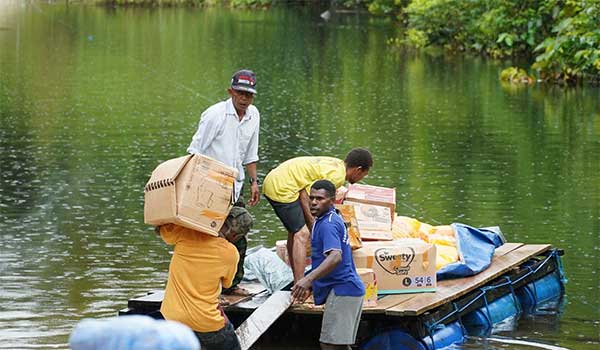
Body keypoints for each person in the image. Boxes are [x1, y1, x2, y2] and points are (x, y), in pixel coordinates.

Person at [187, 69, 260, 295]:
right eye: (240, 93)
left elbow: (250, 153)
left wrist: (254, 182)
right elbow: (195, 152)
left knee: (240, 231)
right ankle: (206, 282)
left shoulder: (253, 115)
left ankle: (231, 284)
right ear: (231, 92)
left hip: (234, 185)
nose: (244, 99)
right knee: (209, 233)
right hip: (209, 185)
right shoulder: (214, 115)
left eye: (248, 95)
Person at [262, 148, 373, 282]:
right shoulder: (336, 177)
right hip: (282, 187)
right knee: (302, 234)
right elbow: (306, 195)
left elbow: (306, 191)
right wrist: (313, 224)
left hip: (277, 180)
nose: (361, 179)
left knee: (295, 231)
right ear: (358, 169)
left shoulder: (337, 165)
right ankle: (299, 286)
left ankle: (296, 278)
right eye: (363, 175)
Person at [156, 206, 253, 350]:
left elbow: (161, 229)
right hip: (205, 322)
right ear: (235, 236)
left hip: (171, 317)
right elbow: (227, 284)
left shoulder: (187, 232)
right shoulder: (230, 253)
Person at [291, 180, 365, 350]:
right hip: (346, 289)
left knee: (328, 344)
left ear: (332, 200)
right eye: (311, 198)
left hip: (343, 290)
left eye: (320, 198)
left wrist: (307, 279)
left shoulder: (328, 224)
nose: (314, 202)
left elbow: (335, 256)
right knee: (339, 345)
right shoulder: (327, 217)